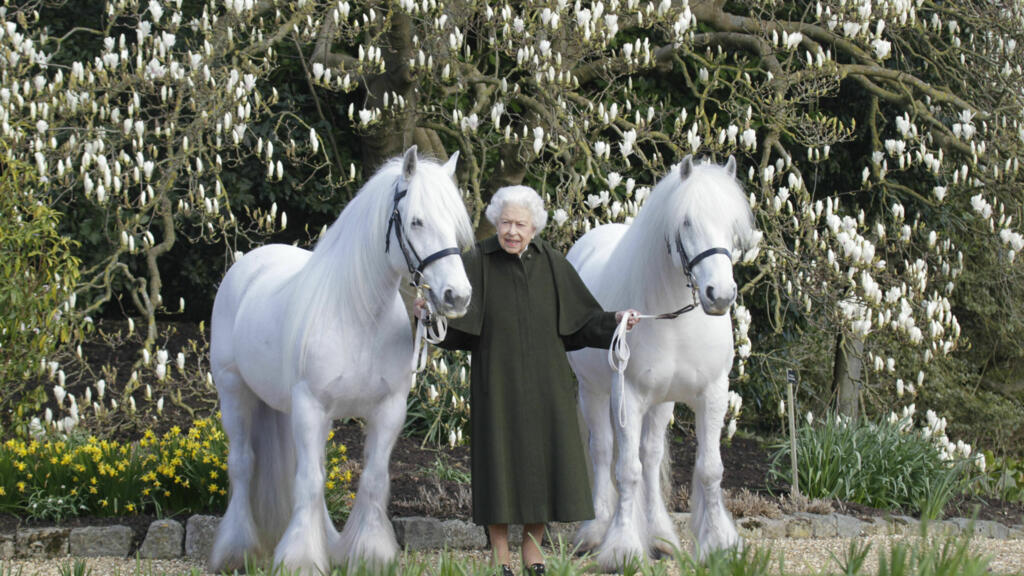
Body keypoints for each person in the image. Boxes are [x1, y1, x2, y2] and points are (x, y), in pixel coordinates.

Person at [419, 185, 639, 576]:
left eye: (520, 224)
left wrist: (617, 320)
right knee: (498, 467)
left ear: (534, 227)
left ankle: (533, 551)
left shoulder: (552, 263)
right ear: (495, 223)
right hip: (496, 383)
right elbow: (456, 328)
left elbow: (582, 322)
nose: (512, 232)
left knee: (545, 466)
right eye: (505, 223)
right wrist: (428, 316)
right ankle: (501, 557)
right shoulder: (478, 261)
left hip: (547, 384)